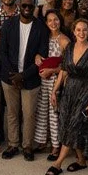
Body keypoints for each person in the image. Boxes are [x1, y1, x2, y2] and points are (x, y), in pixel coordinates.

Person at [48, 18, 88, 175]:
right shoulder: (70, 47)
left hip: (84, 91)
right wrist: (54, 90)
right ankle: (81, 160)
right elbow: (64, 71)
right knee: (66, 123)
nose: (81, 33)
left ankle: (58, 163)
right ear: (73, 32)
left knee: (74, 125)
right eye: (78, 30)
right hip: (68, 90)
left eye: (84, 30)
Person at [0, 0, 48, 160]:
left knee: (29, 114)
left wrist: (23, 76)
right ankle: (13, 144)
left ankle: (27, 146)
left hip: (31, 79)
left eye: (30, 5)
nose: (26, 8)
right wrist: (13, 75)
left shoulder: (41, 28)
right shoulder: (9, 24)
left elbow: (42, 56)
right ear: (19, 5)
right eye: (24, 5)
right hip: (9, 77)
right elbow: (2, 52)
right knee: (11, 112)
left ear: (34, 6)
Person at [32, 10, 68, 158]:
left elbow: (67, 65)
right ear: (46, 23)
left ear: (60, 21)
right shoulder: (44, 37)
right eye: (50, 20)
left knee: (54, 113)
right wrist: (37, 56)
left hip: (56, 79)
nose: (53, 23)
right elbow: (38, 52)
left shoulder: (64, 40)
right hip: (43, 80)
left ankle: (55, 145)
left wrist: (52, 71)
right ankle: (42, 141)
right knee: (42, 111)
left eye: (56, 20)